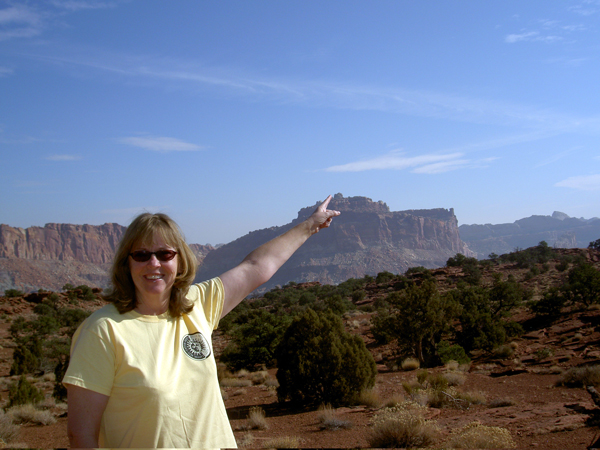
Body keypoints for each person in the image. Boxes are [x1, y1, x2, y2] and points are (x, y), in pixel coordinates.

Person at [62, 195, 340, 448]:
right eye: (141, 255)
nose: (154, 263)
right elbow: (82, 435)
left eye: (165, 254)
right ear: (127, 263)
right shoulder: (103, 330)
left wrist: (310, 225)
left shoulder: (196, 305)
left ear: (179, 260)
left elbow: (256, 267)